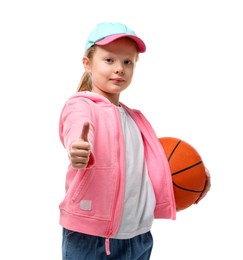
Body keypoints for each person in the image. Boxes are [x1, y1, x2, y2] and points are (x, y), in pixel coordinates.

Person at [59, 22, 211, 260]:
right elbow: (78, 127)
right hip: (92, 238)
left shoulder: (135, 119)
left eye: (127, 62)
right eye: (109, 60)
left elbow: (152, 169)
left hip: (138, 237)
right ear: (87, 63)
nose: (119, 68)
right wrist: (78, 148)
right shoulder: (82, 105)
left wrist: (195, 180)